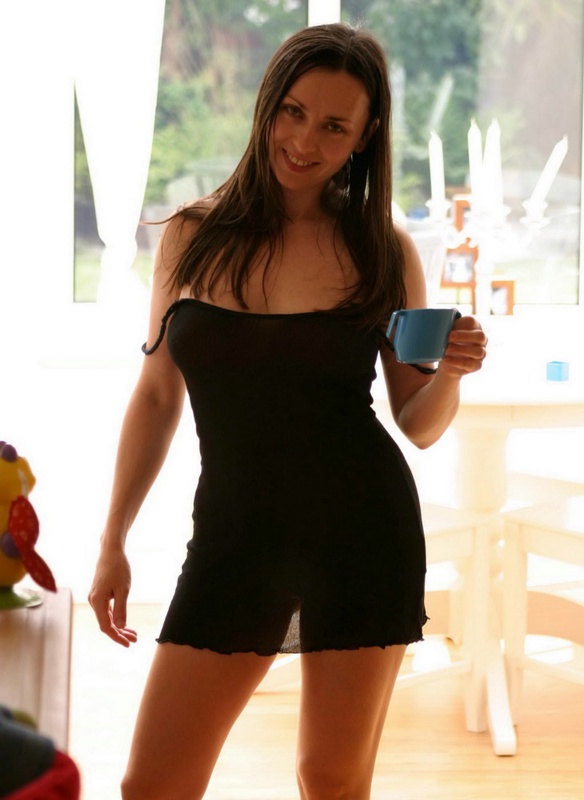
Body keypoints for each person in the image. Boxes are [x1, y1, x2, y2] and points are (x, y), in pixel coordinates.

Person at [88, 22, 487, 800]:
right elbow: (158, 394)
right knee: (153, 785)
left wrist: (454, 373)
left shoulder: (383, 248)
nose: (304, 141)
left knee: (329, 779)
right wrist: (113, 540)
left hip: (362, 537)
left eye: (334, 126)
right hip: (234, 538)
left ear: (365, 136)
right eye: (293, 112)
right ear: (268, 105)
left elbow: (418, 422)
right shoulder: (190, 236)